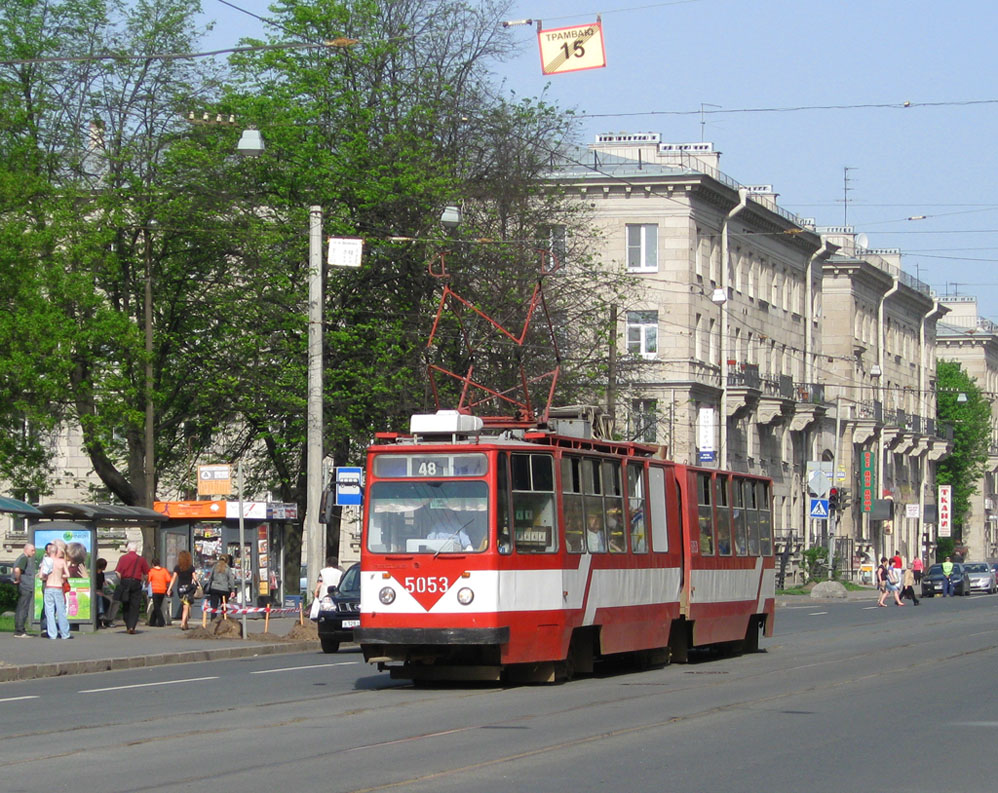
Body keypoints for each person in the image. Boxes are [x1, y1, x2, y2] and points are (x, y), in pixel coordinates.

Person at [115, 541, 150, 634]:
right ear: (136, 549)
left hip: (125, 582)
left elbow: (117, 572)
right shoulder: (141, 559)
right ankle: (132, 626)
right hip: (136, 583)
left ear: (128, 549)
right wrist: (145, 581)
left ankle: (127, 624)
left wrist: (122, 580)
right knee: (135, 605)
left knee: (125, 603)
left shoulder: (122, 558)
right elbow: (147, 573)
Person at [42, 543, 72, 639]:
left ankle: (52, 634)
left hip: (49, 587)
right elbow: (67, 574)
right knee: (61, 611)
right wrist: (61, 576)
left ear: (49, 551)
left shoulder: (46, 561)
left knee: (49, 612)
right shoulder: (61, 561)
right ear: (56, 552)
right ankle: (65, 633)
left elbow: (42, 576)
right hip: (58, 587)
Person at [167, 550, 197, 630]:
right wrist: (197, 584)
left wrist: (169, 588)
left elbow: (173, 578)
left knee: (185, 605)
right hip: (188, 589)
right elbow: (195, 578)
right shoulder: (191, 567)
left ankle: (186, 623)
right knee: (186, 606)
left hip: (180, 589)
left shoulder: (177, 567)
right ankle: (183, 623)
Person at [12, 542, 36, 637]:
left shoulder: (22, 558)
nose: (34, 552)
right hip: (25, 586)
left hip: (24, 586)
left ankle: (19, 629)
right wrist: (18, 579)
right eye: (32, 550)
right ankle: (20, 630)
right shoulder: (24, 558)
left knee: (21, 607)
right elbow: (17, 570)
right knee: (23, 608)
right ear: (26, 550)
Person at [146, 557, 171, 627]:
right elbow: (168, 579)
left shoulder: (151, 571)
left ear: (153, 564)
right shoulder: (164, 570)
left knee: (157, 607)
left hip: (155, 590)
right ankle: (152, 621)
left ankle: (161, 622)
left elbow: (148, 580)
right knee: (157, 606)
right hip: (162, 590)